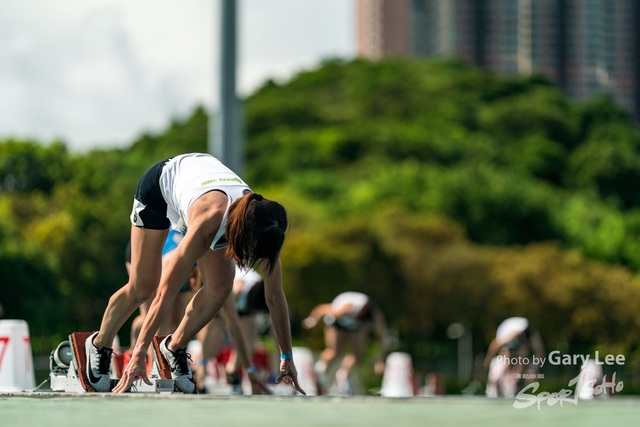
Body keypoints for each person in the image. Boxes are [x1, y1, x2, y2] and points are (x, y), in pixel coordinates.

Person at [84, 153, 304, 394]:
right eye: (250, 252)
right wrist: (139, 353)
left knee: (221, 288)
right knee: (144, 287)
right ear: (240, 234)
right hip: (159, 189)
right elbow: (164, 294)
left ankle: (173, 347)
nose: (252, 260)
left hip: (201, 188)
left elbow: (274, 297)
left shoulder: (267, 227)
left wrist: (287, 356)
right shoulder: (208, 223)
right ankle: (99, 344)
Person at [302, 291, 387, 395]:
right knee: (334, 352)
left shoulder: (373, 315)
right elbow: (322, 309)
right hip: (337, 323)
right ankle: (319, 371)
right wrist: (313, 319)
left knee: (358, 354)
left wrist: (380, 359)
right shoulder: (347, 308)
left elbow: (382, 336)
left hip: (356, 327)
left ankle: (344, 377)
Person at [484, 317, 545, 398]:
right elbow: (495, 344)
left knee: (522, 359)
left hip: (516, 344)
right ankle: (497, 383)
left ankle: (515, 387)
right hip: (506, 342)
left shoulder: (531, 333)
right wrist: (488, 359)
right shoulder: (512, 334)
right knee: (508, 361)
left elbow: (540, 352)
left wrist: (533, 369)